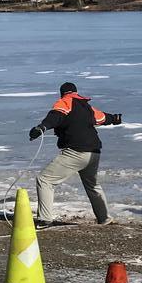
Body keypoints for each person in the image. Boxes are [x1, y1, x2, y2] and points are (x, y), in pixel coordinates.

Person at [30, 82, 122, 227]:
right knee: (92, 186)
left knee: (45, 180)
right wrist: (115, 118)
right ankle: (105, 219)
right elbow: (102, 118)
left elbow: (56, 116)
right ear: (76, 92)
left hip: (76, 152)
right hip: (94, 153)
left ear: (63, 93)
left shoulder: (65, 102)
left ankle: (45, 219)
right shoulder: (86, 106)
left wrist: (41, 127)